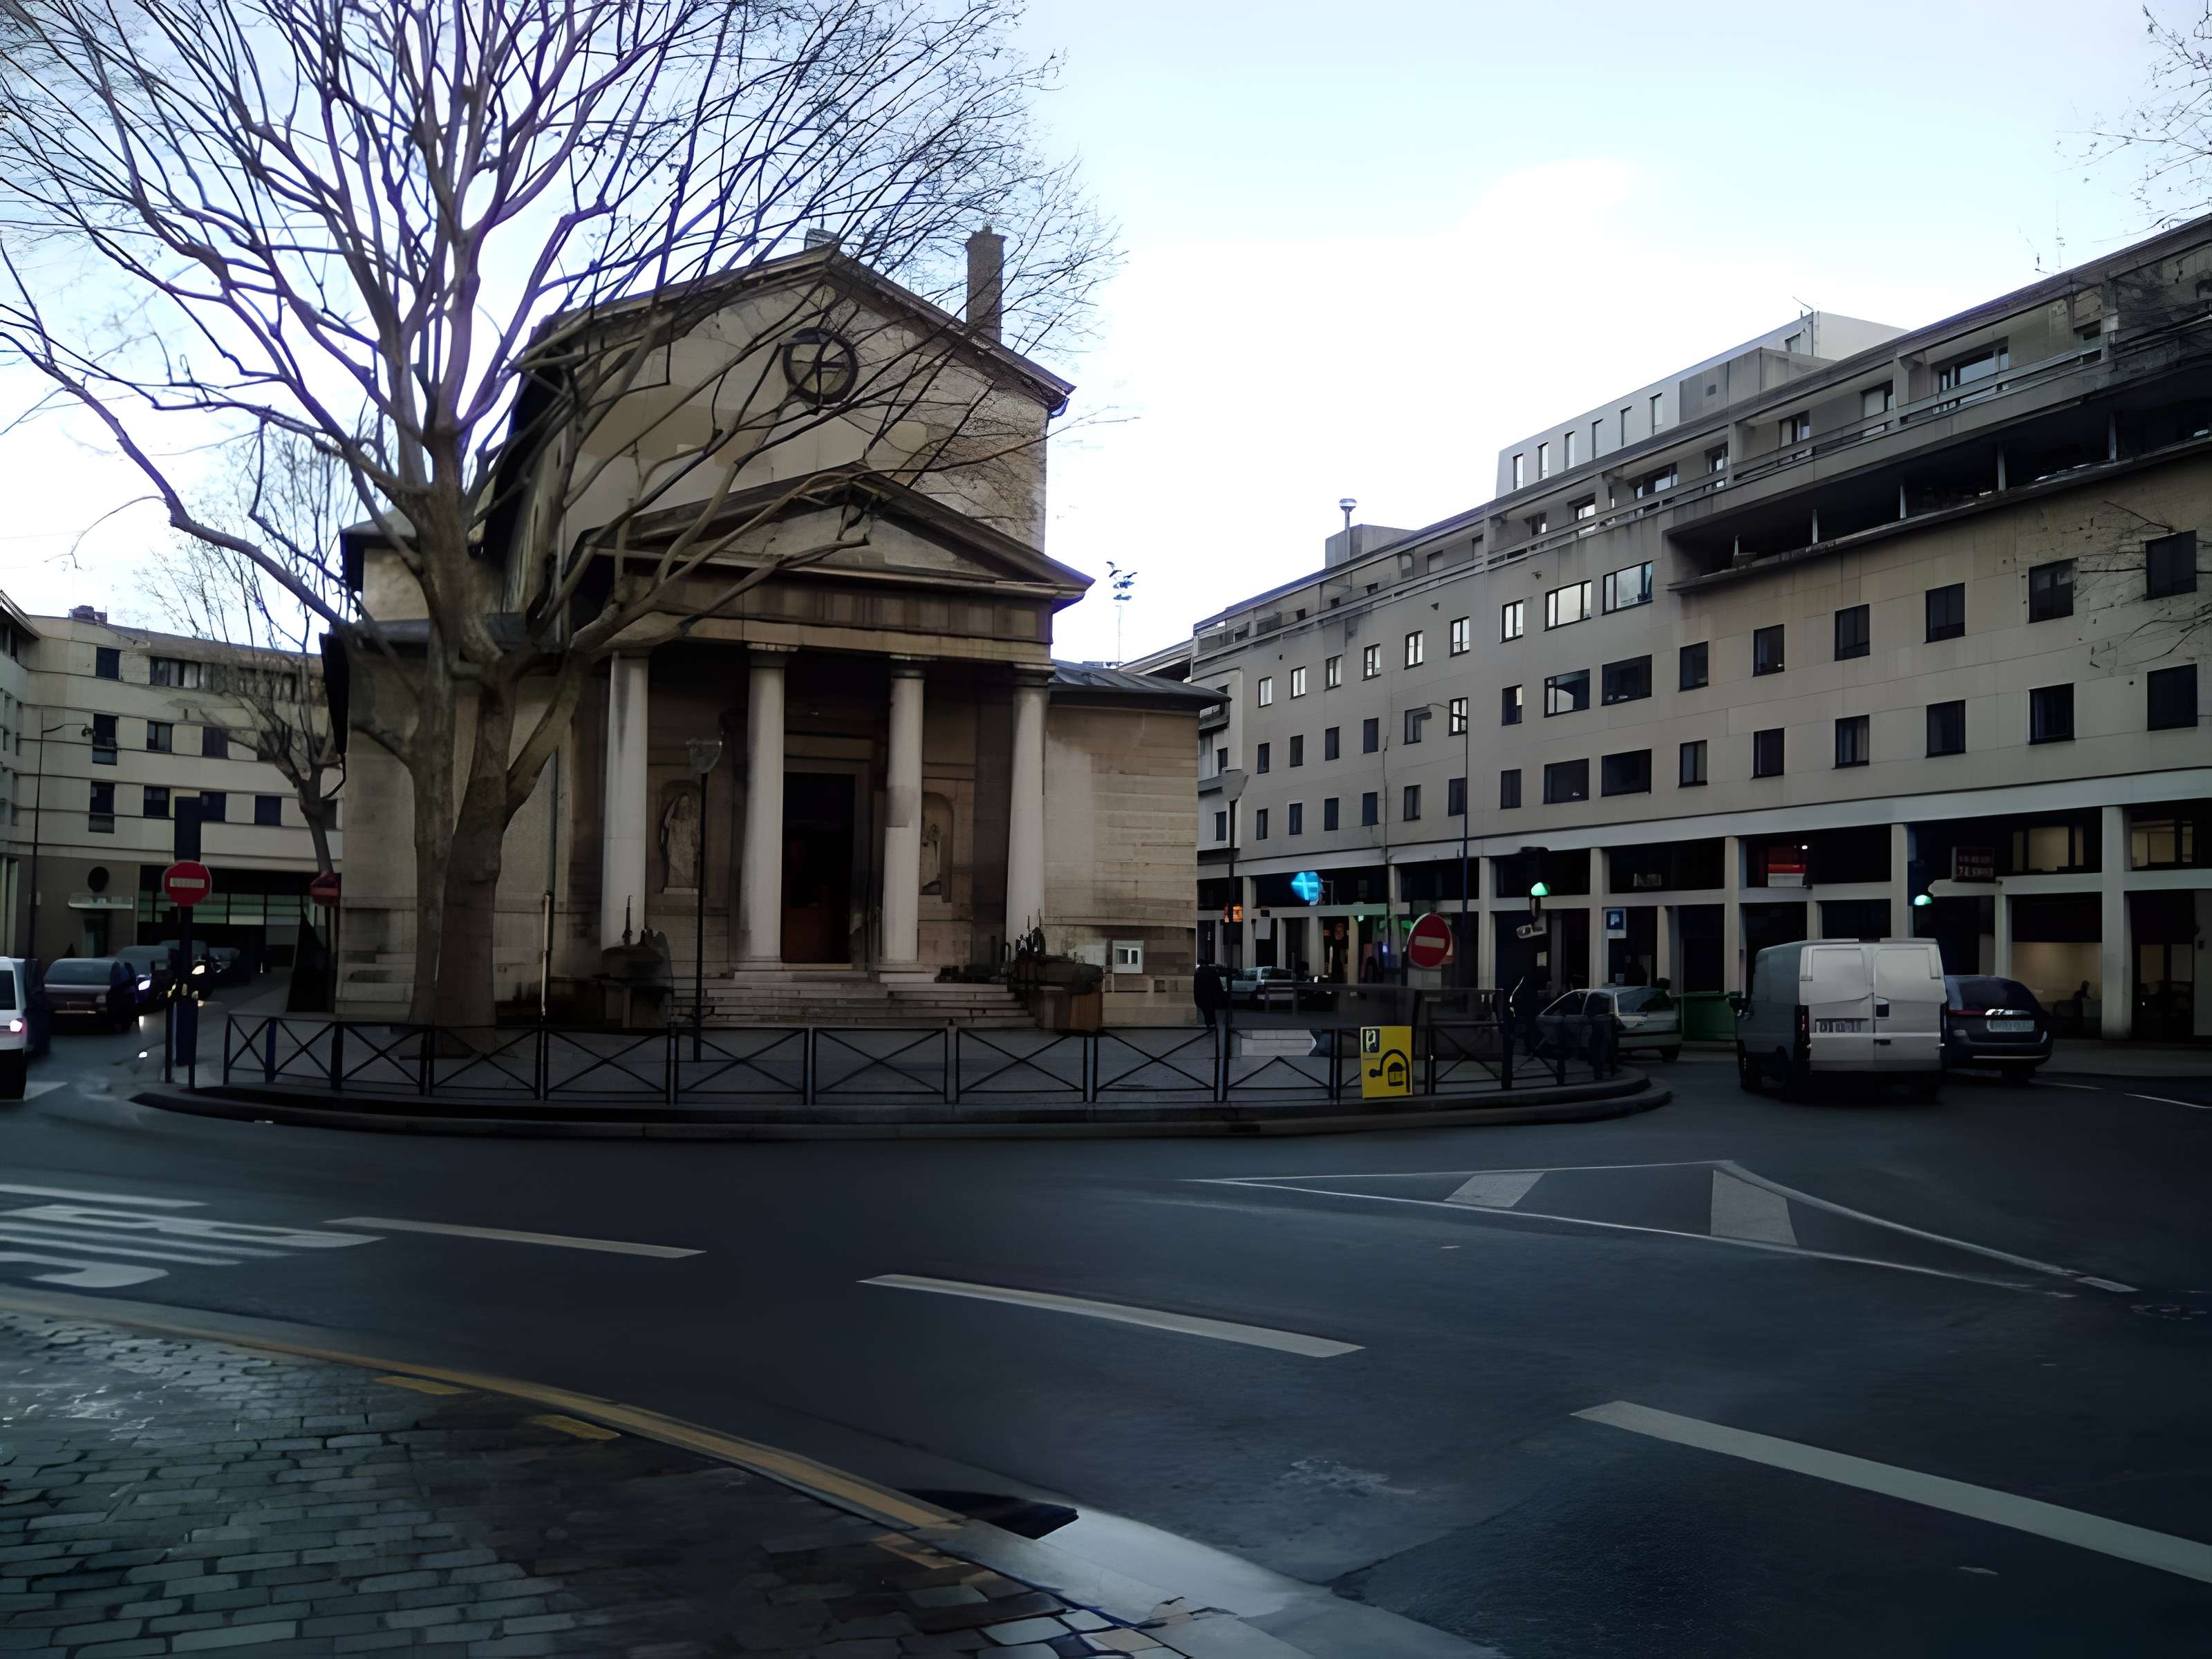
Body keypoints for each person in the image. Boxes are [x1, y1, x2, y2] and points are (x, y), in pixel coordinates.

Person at [1193, 961, 1226, 1030]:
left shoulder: (1198, 972)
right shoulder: (1212, 971)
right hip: (1211, 995)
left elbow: (1196, 985)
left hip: (1202, 995)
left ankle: (1209, 1023)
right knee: (1211, 1010)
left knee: (1206, 1010)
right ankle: (1212, 1024)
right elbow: (1218, 984)